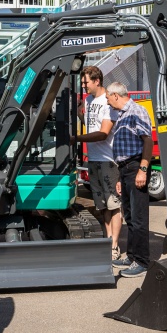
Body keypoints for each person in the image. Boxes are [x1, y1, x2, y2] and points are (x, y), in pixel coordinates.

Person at [71, 66, 122, 260]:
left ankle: (115, 245)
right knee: (102, 206)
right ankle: (108, 241)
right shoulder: (89, 100)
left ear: (97, 81)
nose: (83, 86)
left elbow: (103, 133)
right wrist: (78, 112)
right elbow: (90, 122)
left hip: (108, 161)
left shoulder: (107, 101)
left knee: (113, 205)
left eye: (86, 82)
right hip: (93, 159)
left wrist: (76, 138)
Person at [106, 81, 153, 278]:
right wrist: (119, 176)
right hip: (125, 169)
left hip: (136, 167)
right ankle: (132, 256)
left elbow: (148, 141)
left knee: (139, 217)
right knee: (131, 217)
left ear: (116, 95)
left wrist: (143, 169)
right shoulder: (122, 115)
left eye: (108, 97)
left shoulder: (137, 111)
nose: (108, 102)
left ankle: (142, 261)